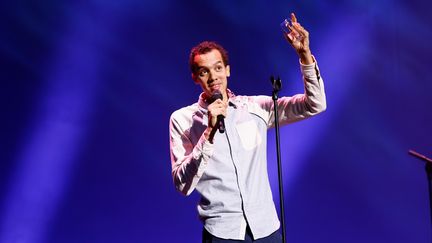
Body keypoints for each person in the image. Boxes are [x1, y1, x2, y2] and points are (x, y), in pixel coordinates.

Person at [169, 13, 326, 242]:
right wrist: (208, 133)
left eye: (218, 68)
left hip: (266, 229)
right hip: (222, 233)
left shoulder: (255, 108)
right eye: (204, 71)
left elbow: (315, 104)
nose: (213, 77)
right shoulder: (183, 120)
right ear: (195, 78)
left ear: (228, 70)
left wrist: (305, 56)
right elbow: (182, 185)